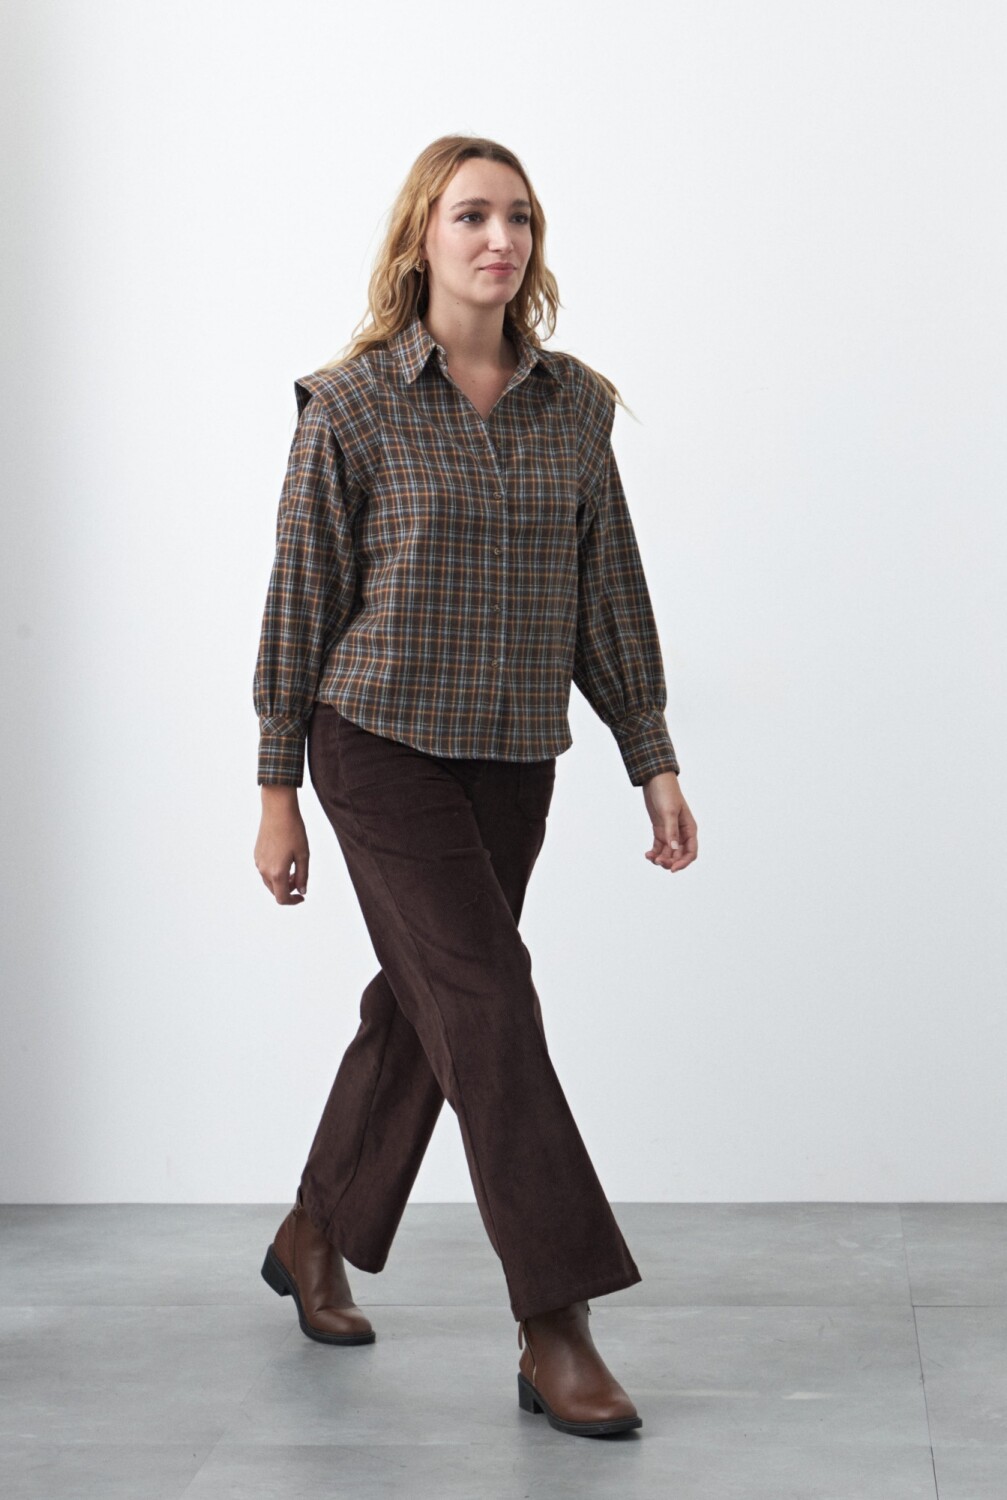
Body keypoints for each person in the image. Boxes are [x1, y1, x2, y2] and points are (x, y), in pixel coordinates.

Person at [252, 134, 698, 1440]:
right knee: (492, 1007)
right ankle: (555, 1322)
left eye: (519, 218)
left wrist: (653, 758)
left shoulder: (576, 409)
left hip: (512, 760)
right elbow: (298, 605)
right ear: (422, 238)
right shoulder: (350, 407)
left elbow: (609, 598)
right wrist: (277, 787)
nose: (500, 239)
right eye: (471, 216)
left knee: (432, 1006)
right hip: (376, 744)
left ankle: (314, 1230)